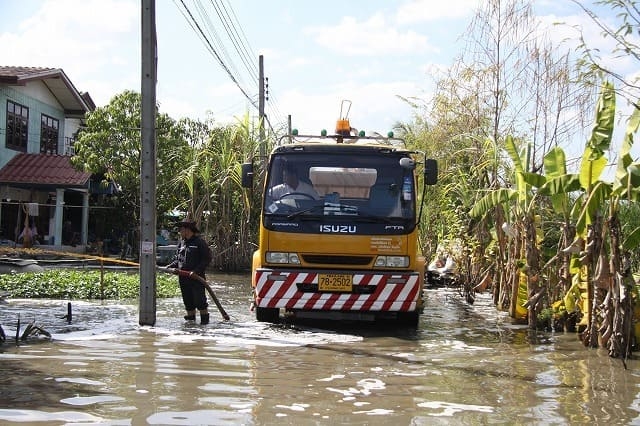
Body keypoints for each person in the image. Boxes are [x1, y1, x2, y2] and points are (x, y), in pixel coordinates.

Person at [167, 218, 213, 325]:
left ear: (187, 230)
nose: (179, 232)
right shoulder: (182, 243)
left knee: (200, 302)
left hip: (196, 278)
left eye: (181, 229)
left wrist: (196, 271)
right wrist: (170, 267)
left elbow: (207, 258)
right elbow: (178, 260)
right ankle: (191, 328)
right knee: (188, 303)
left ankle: (204, 327)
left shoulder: (199, 242)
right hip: (183, 278)